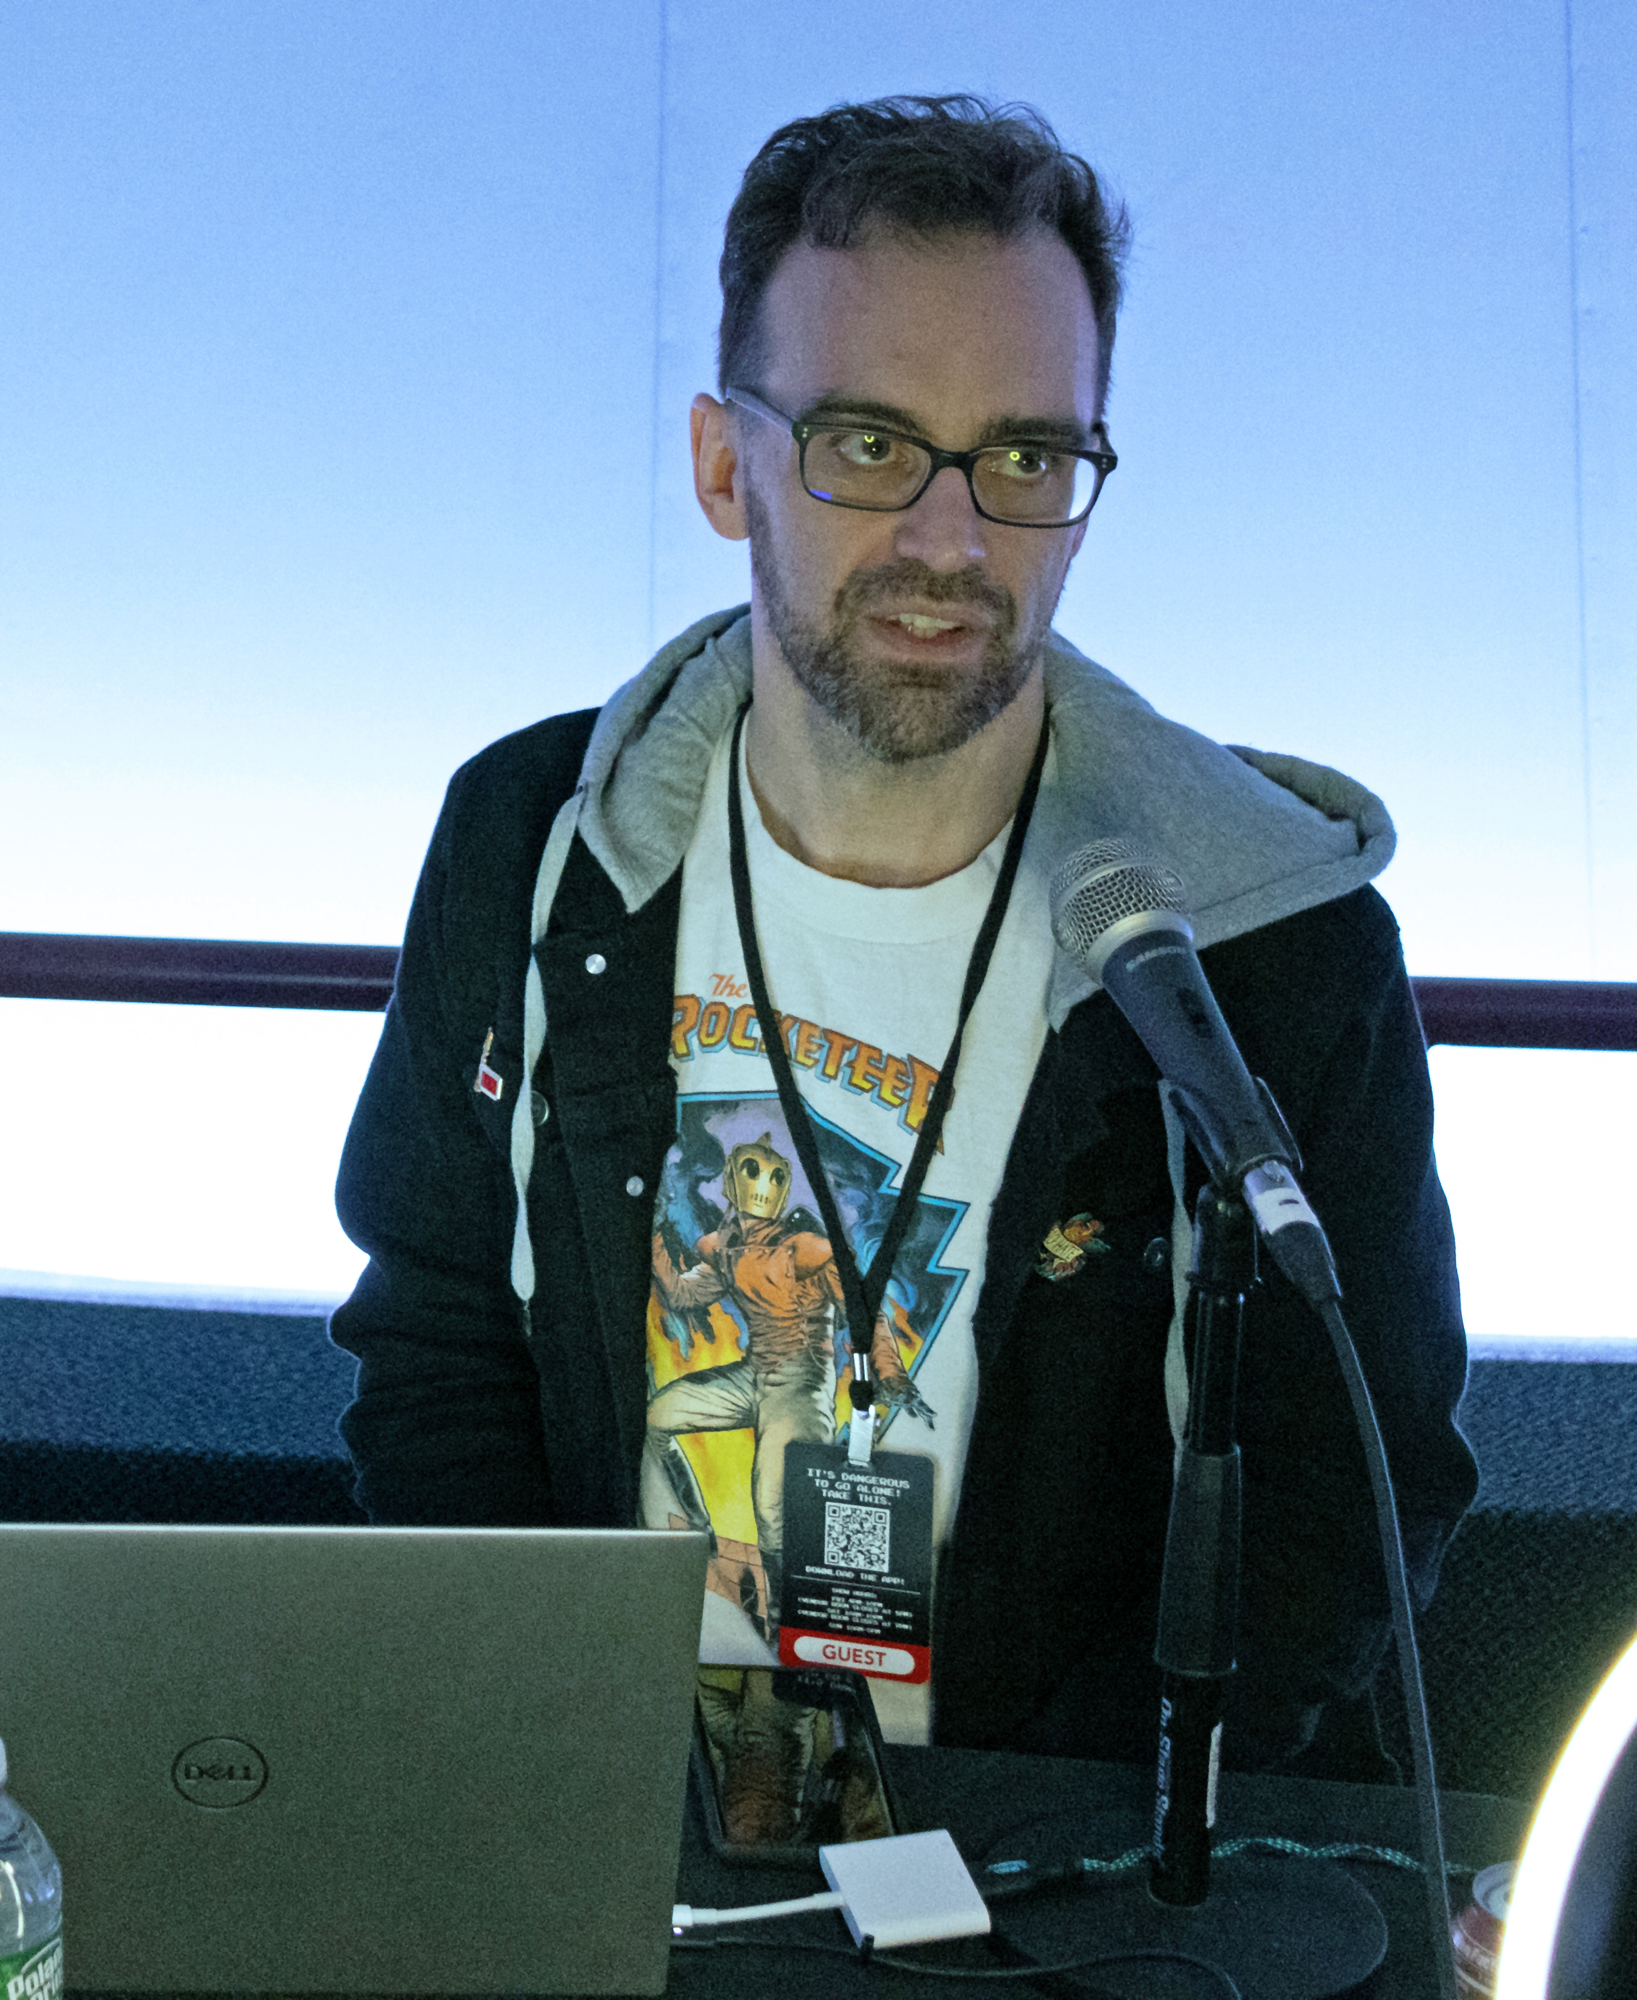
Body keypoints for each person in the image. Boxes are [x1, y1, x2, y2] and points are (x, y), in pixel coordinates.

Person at [329, 98, 1476, 1771]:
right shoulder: (528, 842)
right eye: (867, 444)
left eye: (1022, 458)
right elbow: (433, 1334)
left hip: (1051, 1857)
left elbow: (1347, 1502)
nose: (950, 540)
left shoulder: (1264, 948)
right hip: (607, 1805)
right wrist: (546, 1741)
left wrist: (1039, 1849)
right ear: (724, 466)